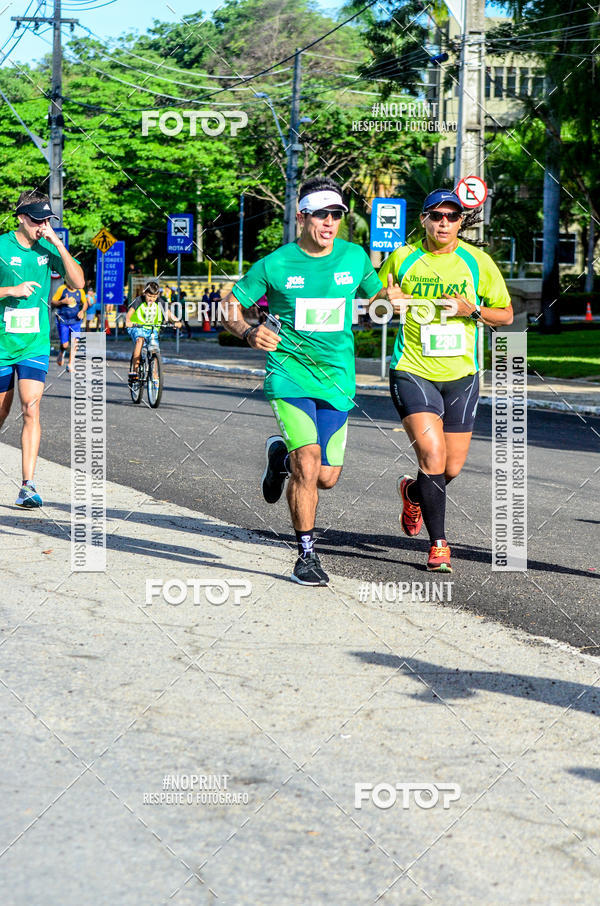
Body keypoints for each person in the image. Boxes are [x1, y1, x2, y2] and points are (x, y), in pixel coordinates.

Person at [220, 176, 384, 586]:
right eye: (321, 214)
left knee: (326, 477)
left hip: (337, 378)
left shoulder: (354, 257)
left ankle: (279, 458)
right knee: (308, 463)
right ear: (301, 217)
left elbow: (377, 298)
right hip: (289, 372)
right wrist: (247, 331)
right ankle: (306, 555)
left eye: (337, 215)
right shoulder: (276, 264)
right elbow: (230, 304)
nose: (330, 222)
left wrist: (391, 301)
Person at [378, 188, 513, 572]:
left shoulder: (477, 261)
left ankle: (413, 492)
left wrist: (473, 310)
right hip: (412, 368)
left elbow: (505, 316)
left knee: (450, 468)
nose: (443, 223)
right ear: (423, 219)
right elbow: (375, 305)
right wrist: (388, 299)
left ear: (459, 222)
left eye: (451, 217)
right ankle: (439, 545)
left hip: (462, 376)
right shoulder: (403, 257)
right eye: (436, 216)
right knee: (432, 456)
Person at [0, 190, 84, 507]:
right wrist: (11, 290)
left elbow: (78, 282)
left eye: (47, 220)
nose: (42, 226)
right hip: (2, 344)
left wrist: (58, 243)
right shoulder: (2, 246)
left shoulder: (47, 249)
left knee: (30, 408)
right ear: (21, 217)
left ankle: (28, 485)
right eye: (37, 220)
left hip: (34, 343)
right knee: (2, 411)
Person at [126, 280, 181, 381]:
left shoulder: (160, 302)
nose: (152, 299)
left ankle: (155, 375)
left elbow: (169, 314)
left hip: (152, 328)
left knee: (155, 349)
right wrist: (128, 321)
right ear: (144, 293)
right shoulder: (139, 300)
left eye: (154, 297)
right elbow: (130, 313)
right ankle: (135, 370)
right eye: (149, 296)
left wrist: (176, 321)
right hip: (137, 327)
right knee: (140, 340)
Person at [51, 279, 87, 371]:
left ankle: (71, 364)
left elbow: (85, 303)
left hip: (76, 321)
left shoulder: (80, 291)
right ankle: (61, 351)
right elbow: (53, 301)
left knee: (75, 342)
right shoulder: (62, 289)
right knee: (65, 344)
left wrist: (82, 311)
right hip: (63, 321)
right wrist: (62, 302)